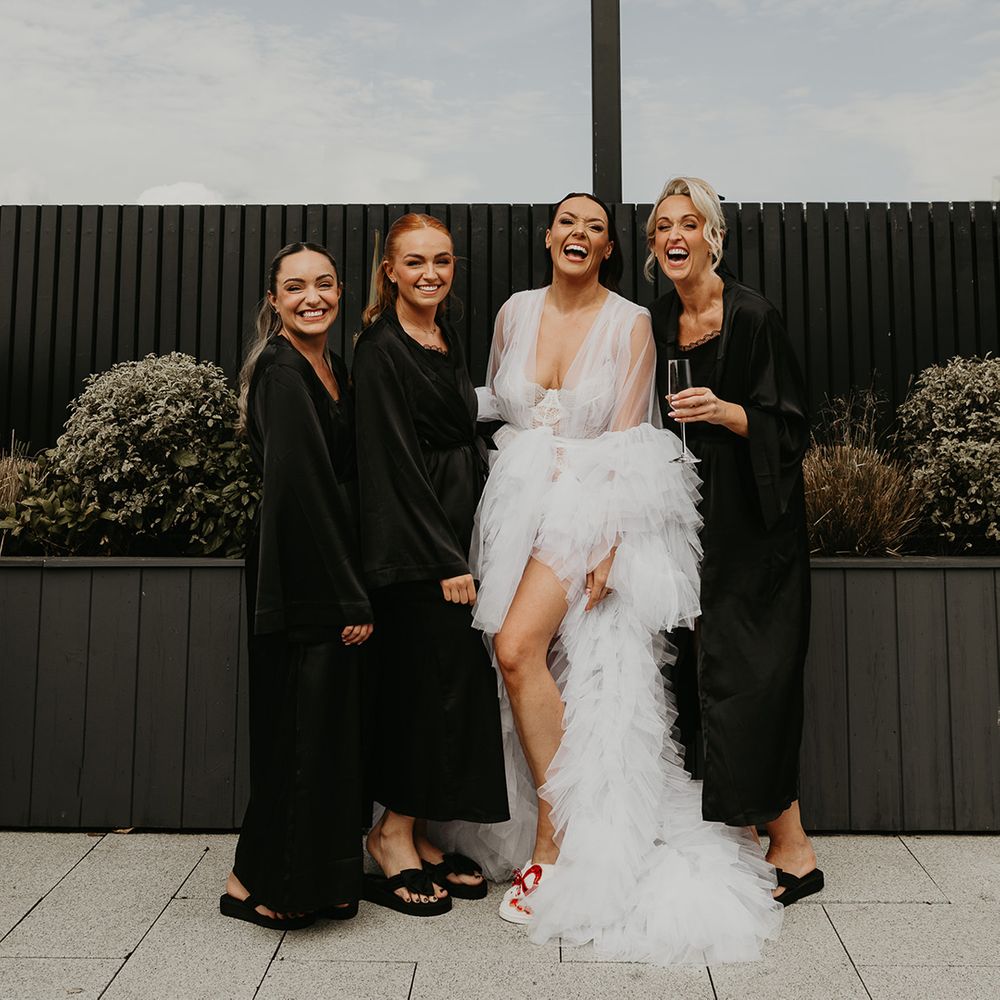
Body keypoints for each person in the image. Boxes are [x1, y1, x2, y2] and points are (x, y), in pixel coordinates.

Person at [446, 193, 782, 964]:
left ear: (606, 251)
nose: (580, 235)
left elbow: (636, 441)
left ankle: (555, 841)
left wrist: (611, 543)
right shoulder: (513, 312)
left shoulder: (631, 321)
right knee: (527, 666)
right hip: (516, 507)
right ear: (548, 237)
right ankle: (550, 825)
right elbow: (499, 407)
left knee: (516, 648)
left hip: (588, 513)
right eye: (569, 223)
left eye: (596, 229)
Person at [647, 176, 823, 906]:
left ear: (713, 236)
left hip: (757, 531)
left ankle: (795, 849)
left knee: (754, 681)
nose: (675, 235)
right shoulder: (658, 320)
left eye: (689, 223)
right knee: (706, 678)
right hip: (691, 523)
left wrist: (725, 410)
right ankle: (747, 843)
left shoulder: (751, 316)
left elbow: (791, 429)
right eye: (662, 226)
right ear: (655, 246)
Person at [353, 213, 509, 917]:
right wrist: (442, 555)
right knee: (423, 692)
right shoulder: (379, 348)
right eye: (414, 263)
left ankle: (423, 836)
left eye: (441, 262)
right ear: (390, 269)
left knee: (451, 690)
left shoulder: (443, 336)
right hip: (418, 548)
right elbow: (389, 461)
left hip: (460, 528)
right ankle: (391, 835)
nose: (429, 275)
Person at [221, 242, 373, 930]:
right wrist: (348, 593)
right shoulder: (283, 372)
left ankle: (310, 876)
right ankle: (261, 885)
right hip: (301, 571)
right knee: (299, 734)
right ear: (275, 301)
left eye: (324, 284)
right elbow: (304, 491)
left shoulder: (331, 365)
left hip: (328, 561)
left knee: (326, 733)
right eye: (296, 287)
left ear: (340, 292)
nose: (313, 297)